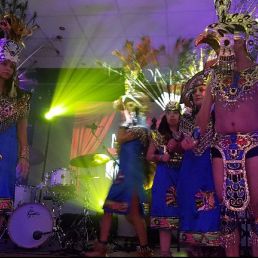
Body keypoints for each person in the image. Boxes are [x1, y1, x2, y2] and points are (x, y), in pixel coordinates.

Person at [195, 1, 258, 256]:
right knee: (227, 213)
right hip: (221, 146)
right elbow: (202, 118)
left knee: (257, 208)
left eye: (230, 39)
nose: (226, 45)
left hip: (253, 143)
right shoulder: (214, 78)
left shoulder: (256, 72)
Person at [83, 92, 153, 257]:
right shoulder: (131, 126)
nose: (125, 110)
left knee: (134, 214)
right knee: (108, 208)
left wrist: (126, 122)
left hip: (133, 176)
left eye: (129, 107)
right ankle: (101, 248)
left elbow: (121, 138)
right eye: (125, 107)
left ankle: (144, 250)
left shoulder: (141, 127)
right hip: (123, 175)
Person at [0, 2, 36, 232]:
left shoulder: (21, 97)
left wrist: (24, 157)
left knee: (3, 191)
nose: (7, 68)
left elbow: (23, 130)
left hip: (9, 146)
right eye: (4, 63)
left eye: (11, 66)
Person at [177, 71, 221, 256]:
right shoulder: (186, 118)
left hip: (210, 165)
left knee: (210, 203)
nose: (197, 93)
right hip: (190, 166)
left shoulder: (218, 114)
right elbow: (185, 142)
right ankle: (193, 249)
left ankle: (211, 248)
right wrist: (180, 144)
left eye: (202, 89)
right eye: (194, 90)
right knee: (188, 201)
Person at [146, 100, 183, 257]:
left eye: (175, 112)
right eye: (169, 113)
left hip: (183, 177)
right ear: (165, 115)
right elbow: (149, 156)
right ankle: (165, 253)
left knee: (186, 214)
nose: (172, 116)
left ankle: (193, 250)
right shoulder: (158, 135)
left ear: (180, 115)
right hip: (164, 177)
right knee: (165, 218)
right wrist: (161, 158)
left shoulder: (187, 134)